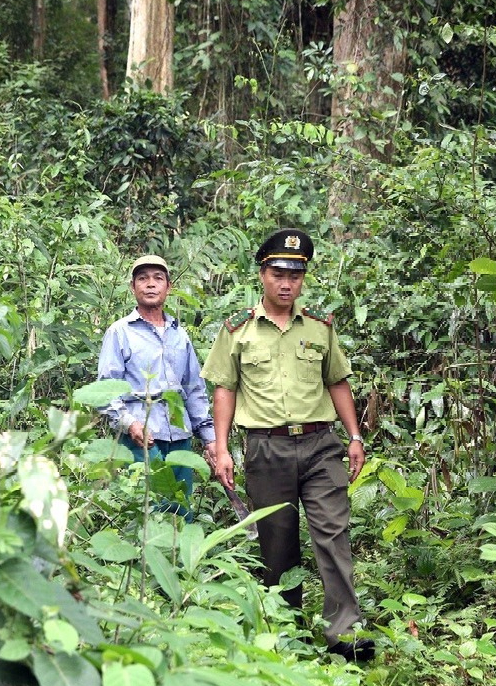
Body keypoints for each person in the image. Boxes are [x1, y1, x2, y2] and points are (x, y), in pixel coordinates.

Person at [201, 229, 375, 661]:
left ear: (302, 279)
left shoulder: (320, 326)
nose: (286, 283)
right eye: (278, 273)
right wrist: (222, 450)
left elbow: (337, 379)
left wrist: (354, 436)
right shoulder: (237, 330)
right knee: (277, 545)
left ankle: (345, 635)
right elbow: (224, 388)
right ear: (262, 274)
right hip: (265, 449)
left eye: (295, 275)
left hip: (320, 445)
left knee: (333, 536)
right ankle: (287, 632)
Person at [97, 255, 217, 511]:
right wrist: (130, 424)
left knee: (180, 511)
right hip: (141, 438)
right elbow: (105, 390)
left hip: (180, 437)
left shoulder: (179, 334)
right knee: (148, 511)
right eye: (143, 278)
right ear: (133, 287)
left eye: (157, 278)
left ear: (168, 287)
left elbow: (194, 390)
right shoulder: (120, 332)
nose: (150, 284)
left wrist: (210, 439)